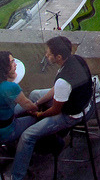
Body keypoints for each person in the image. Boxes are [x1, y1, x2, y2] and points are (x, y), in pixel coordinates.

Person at [11, 37, 93, 180]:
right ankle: (12, 116)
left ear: (59, 57)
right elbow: (56, 90)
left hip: (72, 114)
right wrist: (37, 103)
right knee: (35, 94)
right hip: (80, 100)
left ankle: (16, 176)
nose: (46, 56)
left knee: (27, 136)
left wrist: (38, 114)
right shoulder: (76, 59)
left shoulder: (63, 80)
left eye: (49, 54)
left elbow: (56, 110)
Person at [0, 52, 37, 146]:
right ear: (5, 68)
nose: (15, 64)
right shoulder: (9, 87)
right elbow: (28, 106)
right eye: (12, 62)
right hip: (5, 132)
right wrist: (38, 110)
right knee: (36, 120)